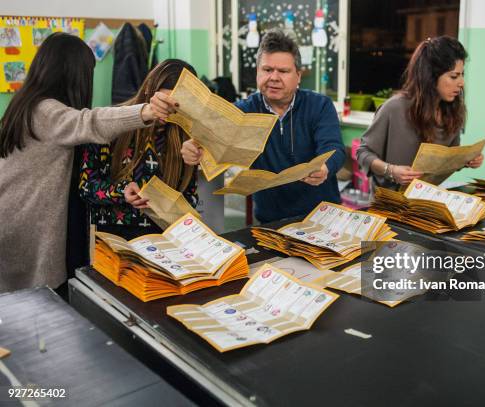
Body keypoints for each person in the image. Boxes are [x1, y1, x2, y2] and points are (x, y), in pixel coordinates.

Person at [0, 33, 170, 293]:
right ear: (73, 75)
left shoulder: (24, 103)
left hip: (13, 219)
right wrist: (145, 111)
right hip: (25, 229)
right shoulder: (44, 110)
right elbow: (89, 122)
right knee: (37, 310)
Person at [179, 29, 346, 223]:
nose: (274, 77)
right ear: (257, 72)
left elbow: (334, 148)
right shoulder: (242, 111)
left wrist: (324, 167)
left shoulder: (319, 105)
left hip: (323, 215)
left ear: (298, 76)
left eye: (283, 71)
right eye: (267, 70)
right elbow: (208, 140)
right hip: (271, 221)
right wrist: (192, 149)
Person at [79, 59, 199, 241]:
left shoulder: (185, 134)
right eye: (163, 103)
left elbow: (190, 194)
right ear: (149, 91)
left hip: (165, 239)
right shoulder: (112, 123)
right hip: (114, 237)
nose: (168, 114)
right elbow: (86, 187)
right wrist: (121, 191)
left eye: (176, 107)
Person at [357, 36, 484, 190]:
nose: (461, 82)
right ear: (431, 76)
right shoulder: (394, 108)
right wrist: (391, 171)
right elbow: (363, 153)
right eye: (454, 76)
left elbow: (448, 158)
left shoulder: (453, 111)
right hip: (388, 203)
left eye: (462, 74)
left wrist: (466, 160)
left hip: (424, 201)